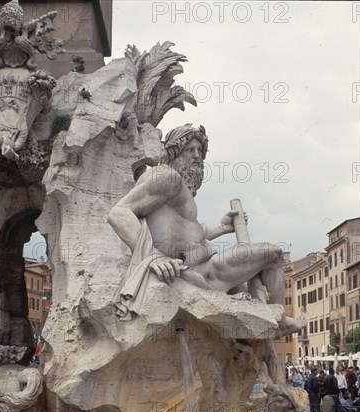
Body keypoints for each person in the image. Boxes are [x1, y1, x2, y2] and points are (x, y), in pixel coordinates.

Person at [107, 123, 305, 329]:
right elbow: (119, 213)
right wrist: (152, 256)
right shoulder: (167, 177)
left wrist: (220, 227)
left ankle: (268, 316)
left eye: (200, 151)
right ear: (175, 152)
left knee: (262, 265)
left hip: (205, 268)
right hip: (199, 272)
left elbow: (189, 236)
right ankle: (279, 320)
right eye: (190, 150)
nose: (197, 155)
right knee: (272, 254)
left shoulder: (181, 189)